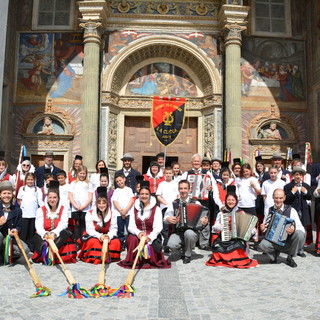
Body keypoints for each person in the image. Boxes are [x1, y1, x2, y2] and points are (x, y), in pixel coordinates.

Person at [118, 185, 171, 269]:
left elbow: (158, 227)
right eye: (142, 194)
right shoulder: (134, 208)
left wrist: (149, 237)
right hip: (138, 234)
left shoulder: (156, 209)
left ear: (150, 195)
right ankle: (134, 261)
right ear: (139, 195)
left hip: (152, 235)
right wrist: (139, 233)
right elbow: (131, 226)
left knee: (150, 245)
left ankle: (150, 259)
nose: (144, 196)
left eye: (146, 194)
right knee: (132, 239)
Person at [206, 192, 258, 268]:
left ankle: (234, 260)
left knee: (237, 246)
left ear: (236, 201)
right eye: (229, 200)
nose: (231, 202)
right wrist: (218, 227)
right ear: (225, 201)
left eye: (233, 200)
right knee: (218, 246)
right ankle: (224, 260)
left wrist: (252, 231)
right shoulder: (221, 214)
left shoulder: (241, 213)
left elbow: (247, 226)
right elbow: (214, 228)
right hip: (224, 238)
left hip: (237, 239)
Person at [165, 180, 209, 264]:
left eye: (185, 188)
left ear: (189, 190)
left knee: (189, 233)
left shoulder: (196, 202)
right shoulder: (174, 203)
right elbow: (166, 217)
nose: (183, 190)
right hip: (179, 232)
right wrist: (168, 219)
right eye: (181, 188)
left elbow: (203, 218)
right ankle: (184, 247)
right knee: (171, 245)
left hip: (192, 232)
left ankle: (187, 255)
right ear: (178, 190)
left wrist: (204, 221)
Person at [259, 189, 305, 268]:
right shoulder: (269, 210)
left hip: (287, 240)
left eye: (280, 198)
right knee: (262, 245)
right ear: (273, 198)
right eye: (276, 198)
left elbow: (301, 228)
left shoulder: (291, 210)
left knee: (300, 234)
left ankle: (290, 257)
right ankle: (274, 255)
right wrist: (263, 228)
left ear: (284, 198)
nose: (278, 200)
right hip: (273, 241)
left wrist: (294, 229)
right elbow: (265, 228)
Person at [32, 185, 76, 264]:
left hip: (58, 236)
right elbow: (38, 226)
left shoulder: (63, 209)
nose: (52, 200)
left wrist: (54, 233)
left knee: (65, 234)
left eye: (55, 197)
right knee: (44, 245)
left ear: (58, 198)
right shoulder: (40, 210)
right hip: (45, 236)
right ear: (47, 198)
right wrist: (45, 234)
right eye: (50, 197)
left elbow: (63, 224)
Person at [78, 189, 121, 264]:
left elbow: (114, 229)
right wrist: (100, 236)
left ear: (107, 203)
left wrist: (108, 236)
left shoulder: (112, 214)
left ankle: (108, 258)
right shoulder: (90, 214)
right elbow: (90, 230)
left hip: (107, 236)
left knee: (116, 242)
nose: (101, 205)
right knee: (93, 242)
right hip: (93, 235)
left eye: (103, 203)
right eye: (99, 203)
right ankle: (98, 258)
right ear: (96, 204)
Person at [284, 166, 311, 253]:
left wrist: (305, 192)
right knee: (291, 228)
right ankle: (292, 248)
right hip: (293, 210)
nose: (298, 176)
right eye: (296, 174)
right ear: (293, 176)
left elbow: (310, 197)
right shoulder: (288, 186)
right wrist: (292, 192)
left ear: (302, 176)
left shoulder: (306, 186)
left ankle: (301, 249)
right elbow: (286, 200)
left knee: (303, 229)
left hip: (303, 210)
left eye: (300, 175)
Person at [0, 181, 29, 262]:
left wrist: (16, 230)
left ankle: (5, 256)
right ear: (0, 195)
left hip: (10, 238)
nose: (6, 196)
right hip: (0, 237)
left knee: (25, 249)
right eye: (4, 193)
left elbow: (19, 226)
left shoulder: (18, 210)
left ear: (12, 194)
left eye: (9, 193)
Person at [17, 172, 43, 251]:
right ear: (25, 180)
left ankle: (31, 248)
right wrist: (22, 206)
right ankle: (23, 247)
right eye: (28, 179)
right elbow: (19, 199)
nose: (30, 181)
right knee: (24, 231)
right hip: (25, 213)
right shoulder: (22, 188)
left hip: (33, 214)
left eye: (32, 179)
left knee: (31, 231)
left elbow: (40, 201)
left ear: (34, 180)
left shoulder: (37, 189)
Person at [156, 166, 179, 250]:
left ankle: (174, 243)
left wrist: (175, 202)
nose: (168, 175)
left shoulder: (176, 183)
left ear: (173, 173)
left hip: (175, 207)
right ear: (164, 174)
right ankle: (165, 244)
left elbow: (178, 194)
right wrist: (166, 203)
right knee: (165, 226)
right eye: (167, 173)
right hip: (164, 207)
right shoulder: (162, 184)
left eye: (170, 173)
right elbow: (158, 196)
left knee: (174, 226)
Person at [68, 165, 93, 241]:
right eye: (81, 173)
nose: (82, 175)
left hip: (85, 208)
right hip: (76, 208)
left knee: (84, 225)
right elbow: (70, 195)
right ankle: (77, 241)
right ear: (77, 173)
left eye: (84, 173)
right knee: (77, 225)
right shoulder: (73, 183)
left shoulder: (89, 184)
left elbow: (90, 196)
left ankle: (84, 240)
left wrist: (84, 206)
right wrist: (75, 205)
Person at [112, 172, 134, 249]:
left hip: (128, 213)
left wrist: (125, 210)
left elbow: (131, 201)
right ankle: (121, 244)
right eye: (117, 181)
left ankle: (129, 244)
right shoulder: (116, 191)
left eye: (120, 180)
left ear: (124, 179)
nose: (119, 182)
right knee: (120, 230)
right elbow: (115, 202)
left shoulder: (129, 189)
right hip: (119, 214)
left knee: (129, 229)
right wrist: (121, 211)